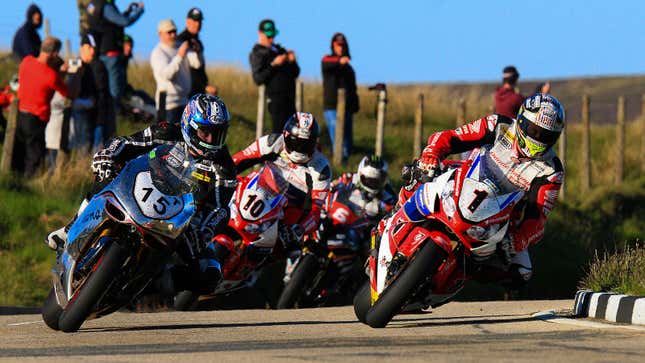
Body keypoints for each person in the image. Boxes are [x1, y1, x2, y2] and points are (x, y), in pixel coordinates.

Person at [47, 94, 237, 294]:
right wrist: (107, 156)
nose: (211, 140)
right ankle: (71, 228)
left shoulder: (224, 167)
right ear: (189, 124)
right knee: (106, 175)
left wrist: (205, 229)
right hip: (137, 191)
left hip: (182, 223)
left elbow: (220, 208)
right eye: (205, 132)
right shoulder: (165, 131)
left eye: (218, 133)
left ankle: (151, 288)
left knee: (211, 275)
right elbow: (125, 143)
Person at [400, 93, 566, 289]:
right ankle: (394, 219)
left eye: (546, 135)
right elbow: (453, 137)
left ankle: (458, 278)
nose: (538, 139)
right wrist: (431, 153)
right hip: (466, 178)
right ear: (521, 121)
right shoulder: (498, 124)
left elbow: (537, 218)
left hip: (499, 217)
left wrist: (519, 238)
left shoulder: (552, 171)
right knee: (417, 176)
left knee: (522, 272)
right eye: (534, 130)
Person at [232, 112, 331, 254]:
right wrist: (224, 173)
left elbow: (315, 211)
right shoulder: (272, 142)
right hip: (259, 189)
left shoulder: (322, 168)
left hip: (290, 207)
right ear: (286, 135)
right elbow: (239, 159)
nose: (299, 149)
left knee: (285, 244)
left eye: (305, 145)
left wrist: (300, 229)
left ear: (314, 144)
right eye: (296, 142)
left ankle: (261, 268)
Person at [13, 37, 75, 177]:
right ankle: (30, 184)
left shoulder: (26, 61)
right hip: (36, 119)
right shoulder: (51, 76)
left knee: (19, 152)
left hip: (20, 114)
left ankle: (15, 179)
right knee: (34, 156)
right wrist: (66, 75)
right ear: (54, 53)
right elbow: (68, 93)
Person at [87, 0, 144, 134]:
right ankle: (114, 128)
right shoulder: (106, 6)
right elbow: (123, 22)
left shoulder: (94, 5)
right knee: (114, 96)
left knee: (103, 94)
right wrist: (138, 11)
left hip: (101, 55)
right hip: (111, 56)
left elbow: (109, 23)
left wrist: (128, 11)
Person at [249, 19, 300, 133]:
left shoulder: (280, 50)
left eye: (273, 36)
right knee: (279, 134)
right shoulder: (257, 53)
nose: (271, 39)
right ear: (260, 34)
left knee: (294, 133)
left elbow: (296, 72)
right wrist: (274, 64)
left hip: (290, 99)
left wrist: (292, 61)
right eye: (268, 36)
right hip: (276, 100)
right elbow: (258, 78)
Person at [151, 19, 199, 125]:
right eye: (169, 32)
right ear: (160, 34)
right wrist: (180, 56)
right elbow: (166, 75)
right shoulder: (158, 52)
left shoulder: (181, 46)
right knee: (168, 139)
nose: (173, 35)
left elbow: (197, 64)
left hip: (184, 102)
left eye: (174, 31)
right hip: (168, 104)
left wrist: (197, 51)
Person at [322, 33, 359, 162]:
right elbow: (326, 62)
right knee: (338, 141)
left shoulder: (349, 69)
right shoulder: (328, 60)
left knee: (348, 144)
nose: (340, 48)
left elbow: (353, 88)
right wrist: (340, 61)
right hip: (332, 107)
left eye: (342, 45)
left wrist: (355, 105)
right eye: (338, 45)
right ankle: (338, 163)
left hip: (347, 109)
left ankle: (345, 165)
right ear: (333, 46)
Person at [69, 33, 100, 153]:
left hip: (88, 115)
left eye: (94, 48)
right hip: (79, 114)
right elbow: (71, 93)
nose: (92, 51)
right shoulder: (76, 64)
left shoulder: (90, 66)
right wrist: (86, 103)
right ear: (82, 48)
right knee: (81, 146)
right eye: (89, 48)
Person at [177, 7, 217, 97]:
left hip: (198, 91)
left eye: (199, 21)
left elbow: (200, 70)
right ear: (187, 21)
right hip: (187, 93)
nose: (197, 24)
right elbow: (189, 70)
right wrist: (204, 87)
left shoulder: (198, 41)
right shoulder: (182, 40)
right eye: (194, 21)